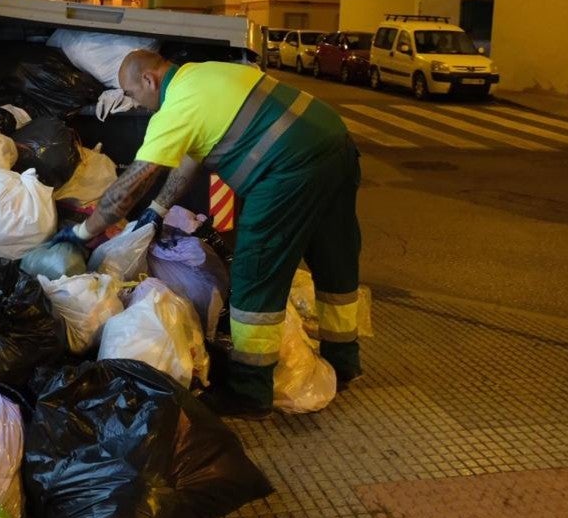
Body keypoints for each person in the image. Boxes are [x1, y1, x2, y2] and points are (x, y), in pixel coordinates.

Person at [53, 50, 362, 418]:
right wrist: (160, 209)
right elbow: (191, 157)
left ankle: (250, 391)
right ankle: (344, 362)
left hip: (288, 167)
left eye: (134, 94)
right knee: (334, 256)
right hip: (335, 141)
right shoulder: (204, 74)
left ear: (150, 80)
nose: (138, 104)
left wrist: (82, 231)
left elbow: (127, 190)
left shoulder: (176, 107)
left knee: (256, 269)